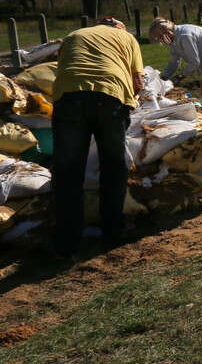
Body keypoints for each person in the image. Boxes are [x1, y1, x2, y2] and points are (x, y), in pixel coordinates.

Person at [51, 16, 143, 257]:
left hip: (68, 98)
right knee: (113, 165)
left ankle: (67, 241)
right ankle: (113, 231)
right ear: (119, 28)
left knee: (68, 171)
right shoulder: (127, 37)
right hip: (109, 96)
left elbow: (63, 69)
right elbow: (138, 83)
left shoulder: (74, 35)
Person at [149, 18, 202, 107]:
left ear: (167, 32)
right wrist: (164, 76)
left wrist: (181, 76)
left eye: (161, 38)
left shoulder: (185, 36)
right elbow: (174, 61)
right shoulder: (174, 40)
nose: (162, 41)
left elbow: (194, 62)